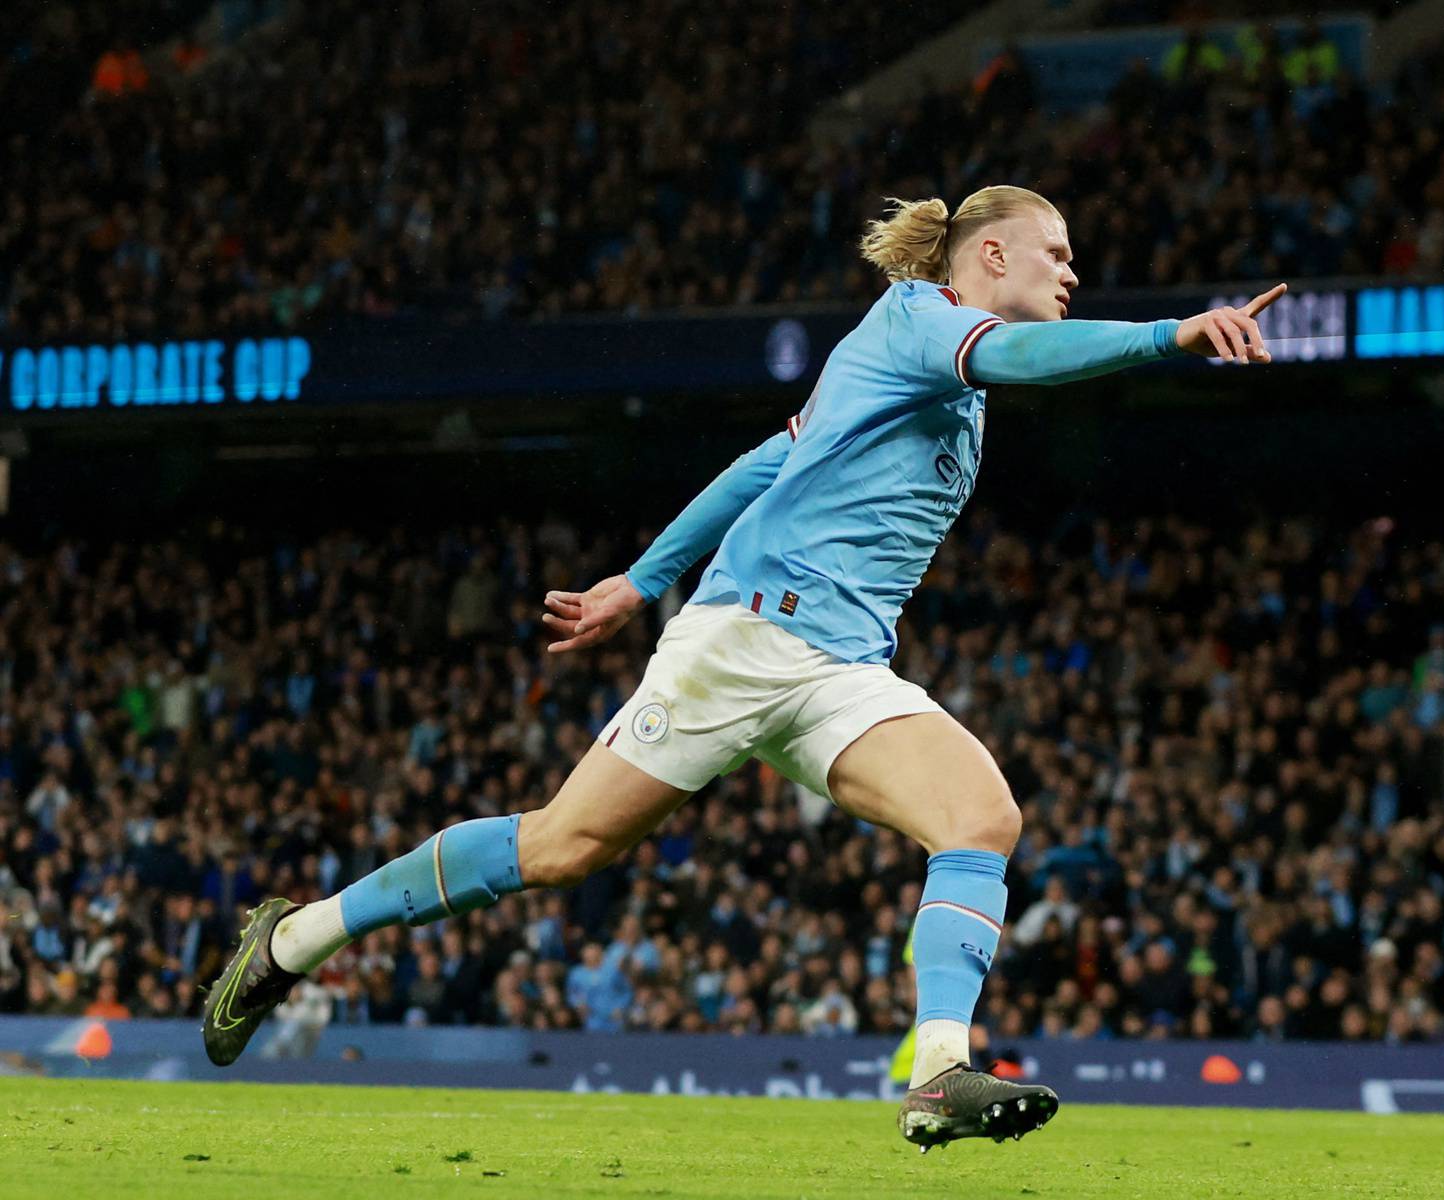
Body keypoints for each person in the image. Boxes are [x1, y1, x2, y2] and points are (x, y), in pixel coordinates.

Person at [200, 184, 1286, 1151]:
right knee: (563, 845)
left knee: (981, 815)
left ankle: (938, 1069)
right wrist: (1165, 335)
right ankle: (295, 936)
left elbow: (769, 462)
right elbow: (1007, 358)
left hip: (838, 667)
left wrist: (635, 579)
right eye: (1056, 252)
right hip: (749, 637)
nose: (1072, 272)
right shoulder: (919, 323)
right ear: (989, 258)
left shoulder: (937, 381)